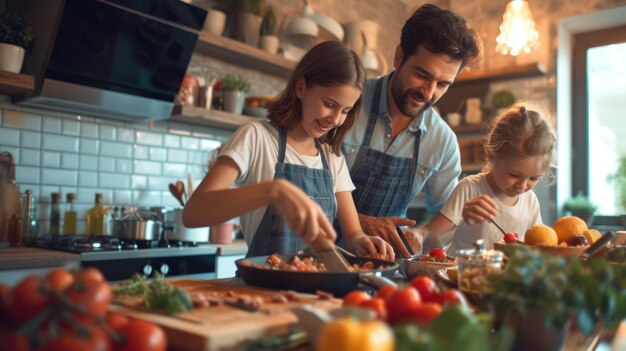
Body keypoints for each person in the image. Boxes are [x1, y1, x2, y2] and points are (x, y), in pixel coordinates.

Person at [183, 41, 394, 260]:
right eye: (329, 104)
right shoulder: (256, 137)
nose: (335, 119)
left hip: (316, 290)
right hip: (261, 288)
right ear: (301, 87)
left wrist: (364, 242)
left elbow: (353, 234)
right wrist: (272, 191)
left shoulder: (332, 158)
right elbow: (193, 213)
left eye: (346, 111)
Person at [340, 4, 482, 257]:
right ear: (399, 57)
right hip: (317, 258)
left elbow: (448, 213)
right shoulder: (347, 104)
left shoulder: (443, 141)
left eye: (442, 84)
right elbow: (303, 186)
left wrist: (423, 234)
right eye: (422, 74)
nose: (428, 92)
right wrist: (361, 222)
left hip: (387, 266)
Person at [418, 104, 557, 252]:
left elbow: (536, 247)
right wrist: (463, 220)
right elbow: (428, 236)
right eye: (514, 175)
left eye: (534, 178)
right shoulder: (470, 188)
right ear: (492, 155)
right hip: (463, 273)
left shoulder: (530, 201)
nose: (522, 186)